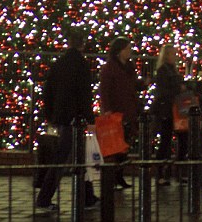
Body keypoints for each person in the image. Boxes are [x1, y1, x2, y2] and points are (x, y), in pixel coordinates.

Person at [36, 28, 97, 213]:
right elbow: (84, 94)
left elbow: (48, 91)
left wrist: (50, 115)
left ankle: (87, 197)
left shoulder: (59, 63)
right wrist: (90, 118)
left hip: (62, 117)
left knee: (77, 157)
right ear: (82, 43)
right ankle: (45, 199)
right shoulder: (81, 65)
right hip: (75, 119)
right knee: (67, 158)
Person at [98, 36, 141, 190]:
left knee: (125, 144)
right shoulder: (110, 68)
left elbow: (132, 85)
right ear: (119, 51)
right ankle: (115, 176)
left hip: (129, 109)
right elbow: (105, 89)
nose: (130, 52)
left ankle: (119, 175)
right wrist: (107, 109)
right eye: (127, 48)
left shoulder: (128, 66)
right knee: (116, 145)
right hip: (117, 109)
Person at [151, 44, 188, 185]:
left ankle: (172, 172)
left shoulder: (171, 70)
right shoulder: (163, 71)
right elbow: (163, 91)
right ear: (166, 55)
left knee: (180, 140)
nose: (176, 56)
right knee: (166, 141)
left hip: (175, 109)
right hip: (167, 110)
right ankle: (162, 173)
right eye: (173, 54)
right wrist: (179, 89)